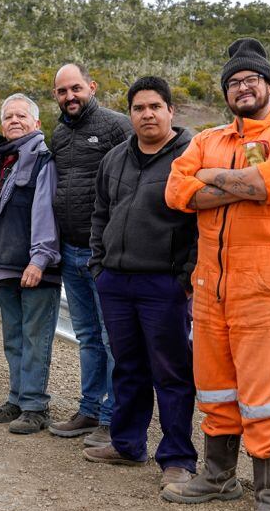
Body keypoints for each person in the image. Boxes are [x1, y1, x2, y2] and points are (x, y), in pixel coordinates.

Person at [164, 37, 270, 511]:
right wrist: (234, 178)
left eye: (251, 80)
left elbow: (269, 184)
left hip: (264, 286)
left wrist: (213, 181)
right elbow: (176, 191)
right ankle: (217, 476)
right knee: (214, 385)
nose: (242, 87)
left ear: (269, 87)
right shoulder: (207, 138)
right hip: (210, 285)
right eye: (233, 82)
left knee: (263, 395)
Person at [83, 77, 198, 485]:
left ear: (170, 111)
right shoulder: (114, 158)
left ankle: (178, 458)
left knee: (171, 372)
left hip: (163, 285)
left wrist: (184, 279)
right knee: (127, 367)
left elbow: (201, 223)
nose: (147, 114)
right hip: (116, 281)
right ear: (129, 114)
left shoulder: (191, 156)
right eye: (138, 108)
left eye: (155, 107)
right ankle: (128, 444)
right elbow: (100, 213)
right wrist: (100, 266)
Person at [47, 63, 131, 446]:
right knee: (87, 337)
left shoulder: (117, 127)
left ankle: (115, 418)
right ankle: (89, 409)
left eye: (76, 88)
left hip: (106, 254)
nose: (70, 97)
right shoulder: (60, 134)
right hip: (69, 248)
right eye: (62, 92)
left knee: (115, 338)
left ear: (91, 87)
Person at [0, 94, 61, 432]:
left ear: (36, 124)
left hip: (36, 265)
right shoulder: (0, 160)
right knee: (14, 336)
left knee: (35, 338)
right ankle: (17, 398)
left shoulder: (43, 160)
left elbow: (45, 212)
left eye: (21, 116)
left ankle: (36, 407)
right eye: (8, 116)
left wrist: (39, 259)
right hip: (8, 262)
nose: (14, 120)